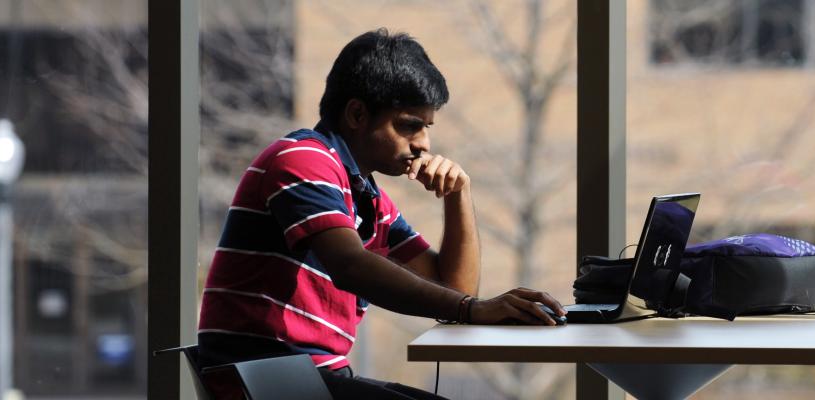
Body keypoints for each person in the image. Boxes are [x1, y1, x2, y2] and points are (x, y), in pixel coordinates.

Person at [196, 28, 565, 399]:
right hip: (262, 381)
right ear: (357, 113)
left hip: (308, 379)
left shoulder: (366, 195)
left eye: (427, 127)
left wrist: (458, 195)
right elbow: (349, 265)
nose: (423, 144)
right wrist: (472, 309)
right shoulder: (304, 159)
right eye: (409, 125)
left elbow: (454, 291)